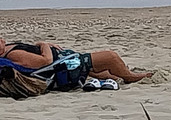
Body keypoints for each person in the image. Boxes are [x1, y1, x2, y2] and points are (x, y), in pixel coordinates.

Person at [0, 37, 153, 85]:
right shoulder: (14, 55)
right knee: (110, 57)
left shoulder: (8, 49)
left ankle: (112, 74)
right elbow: (46, 61)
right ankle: (129, 77)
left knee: (106, 72)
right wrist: (43, 44)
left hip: (66, 61)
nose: (2, 40)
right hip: (65, 65)